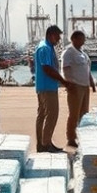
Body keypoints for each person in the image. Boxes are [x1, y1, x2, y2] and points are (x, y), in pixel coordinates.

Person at [34, 25, 71, 153]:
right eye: (58, 36)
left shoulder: (47, 47)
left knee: (42, 115)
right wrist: (62, 80)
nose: (59, 39)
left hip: (44, 86)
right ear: (51, 35)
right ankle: (45, 144)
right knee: (52, 115)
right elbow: (47, 68)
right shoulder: (44, 48)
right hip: (47, 87)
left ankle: (43, 143)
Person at [61, 30, 96, 148]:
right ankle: (71, 138)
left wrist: (92, 83)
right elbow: (66, 69)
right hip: (75, 86)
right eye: (82, 38)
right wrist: (69, 84)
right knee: (74, 113)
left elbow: (87, 69)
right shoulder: (69, 53)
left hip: (85, 86)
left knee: (84, 113)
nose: (84, 41)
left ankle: (81, 135)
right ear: (74, 39)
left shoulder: (83, 53)